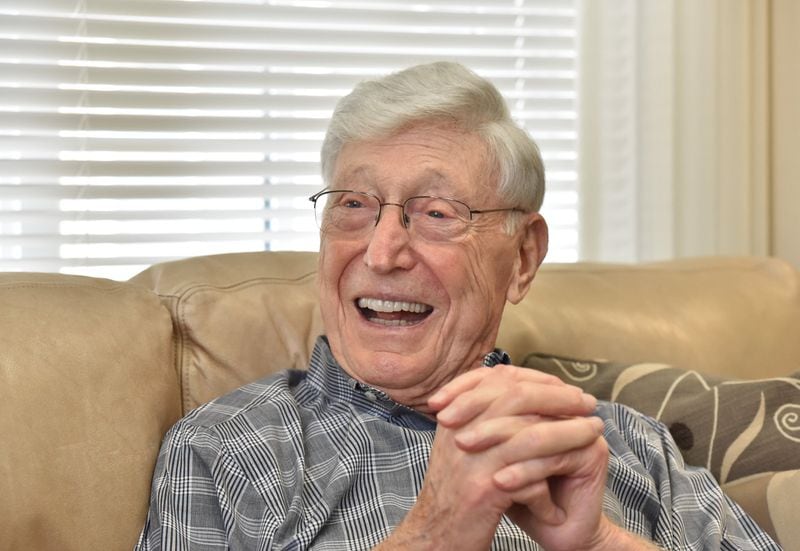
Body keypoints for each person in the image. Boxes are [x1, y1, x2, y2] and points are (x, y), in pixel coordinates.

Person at [136, 62, 779, 550]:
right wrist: (439, 528)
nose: (382, 251)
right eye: (352, 205)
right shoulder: (226, 451)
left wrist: (598, 542)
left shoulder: (626, 443)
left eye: (436, 214)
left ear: (523, 257)